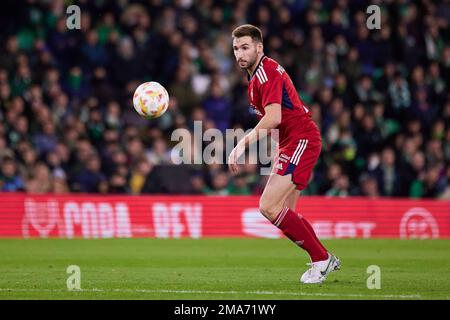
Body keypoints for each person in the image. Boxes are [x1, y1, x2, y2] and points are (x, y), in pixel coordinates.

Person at [228, 24, 340, 284]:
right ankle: (324, 258)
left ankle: (321, 259)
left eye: (245, 47)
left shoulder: (265, 73)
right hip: (290, 143)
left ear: (259, 47)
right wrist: (277, 148)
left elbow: (274, 116)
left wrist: (242, 144)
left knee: (268, 206)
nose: (239, 53)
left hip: (302, 139)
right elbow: (278, 120)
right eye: (235, 48)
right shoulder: (255, 78)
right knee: (287, 213)